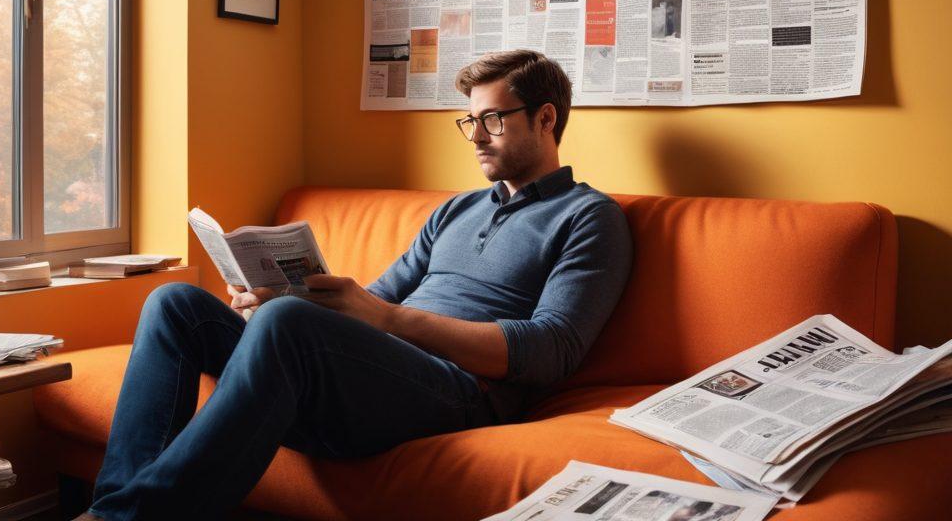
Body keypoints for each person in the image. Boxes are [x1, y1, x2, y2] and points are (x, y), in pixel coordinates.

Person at [80, 50, 634, 520]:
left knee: (287, 324)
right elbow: (378, 298)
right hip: (372, 377)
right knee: (176, 303)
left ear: (544, 118)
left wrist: (377, 320)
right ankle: (110, 504)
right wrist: (286, 299)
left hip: (460, 393)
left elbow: (552, 349)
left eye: (493, 120)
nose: (476, 138)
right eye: (471, 122)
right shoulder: (457, 210)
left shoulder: (588, 216)